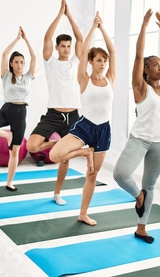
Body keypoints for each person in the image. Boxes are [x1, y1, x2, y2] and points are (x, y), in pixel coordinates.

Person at [113, 9, 160, 244]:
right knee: (121, 174)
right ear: (146, 70)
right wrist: (144, 25)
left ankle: (142, 228)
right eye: (155, 65)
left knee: (150, 184)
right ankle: (138, 196)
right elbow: (138, 56)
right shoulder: (140, 87)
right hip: (139, 139)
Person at [49, 12, 117, 225]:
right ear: (90, 62)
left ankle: (83, 213)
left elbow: (113, 52)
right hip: (85, 126)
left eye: (105, 61)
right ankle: (83, 152)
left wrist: (102, 28)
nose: (103, 63)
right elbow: (84, 50)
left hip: (104, 129)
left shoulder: (110, 78)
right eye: (99, 60)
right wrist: (92, 28)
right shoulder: (83, 78)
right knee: (55, 154)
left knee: (93, 175)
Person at [26, 0, 83, 205]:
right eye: (64, 46)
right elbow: (47, 38)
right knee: (32, 146)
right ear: (58, 48)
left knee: (65, 158)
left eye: (69, 46)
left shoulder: (76, 62)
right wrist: (60, 14)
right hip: (53, 114)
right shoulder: (50, 63)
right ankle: (58, 144)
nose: (67, 49)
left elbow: (81, 40)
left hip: (74, 115)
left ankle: (57, 193)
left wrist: (70, 16)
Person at [0, 27, 36, 191]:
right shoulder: (6, 75)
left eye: (22, 62)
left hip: (21, 113)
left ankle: (9, 182)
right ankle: (5, 135)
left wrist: (27, 40)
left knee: (14, 152)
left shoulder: (29, 77)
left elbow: (34, 57)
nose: (19, 64)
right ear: (11, 63)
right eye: (16, 62)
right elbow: (4, 54)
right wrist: (17, 39)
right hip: (6, 110)